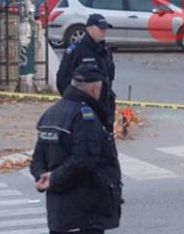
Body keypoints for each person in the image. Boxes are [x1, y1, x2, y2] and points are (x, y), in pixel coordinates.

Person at [30, 64, 122, 234]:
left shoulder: (51, 113)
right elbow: (84, 160)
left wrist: (43, 176)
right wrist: (54, 178)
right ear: (95, 89)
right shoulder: (84, 117)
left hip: (59, 214)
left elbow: (37, 159)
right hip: (85, 212)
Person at [57, 14, 116, 131]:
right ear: (89, 29)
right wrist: (73, 102)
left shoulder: (106, 50)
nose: (104, 32)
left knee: (106, 142)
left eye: (105, 29)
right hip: (84, 107)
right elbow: (63, 79)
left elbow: (109, 78)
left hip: (104, 107)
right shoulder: (76, 50)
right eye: (101, 29)